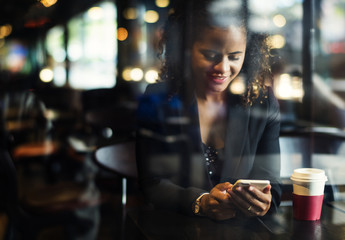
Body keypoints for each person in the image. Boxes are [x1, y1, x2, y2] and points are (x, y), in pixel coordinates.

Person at [136, 0, 281, 221]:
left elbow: (273, 184)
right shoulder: (159, 99)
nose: (223, 68)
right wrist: (201, 202)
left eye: (234, 56)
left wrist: (264, 203)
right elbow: (153, 184)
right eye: (210, 54)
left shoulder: (263, 103)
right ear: (186, 48)